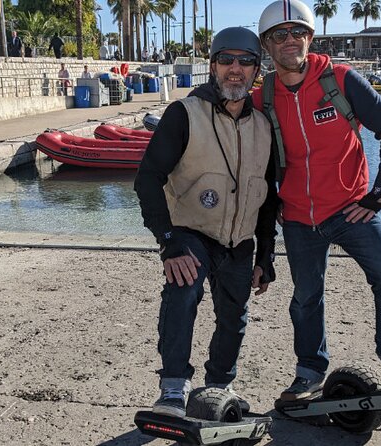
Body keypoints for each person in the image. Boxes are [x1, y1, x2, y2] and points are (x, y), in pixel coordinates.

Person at [251, 0, 381, 402]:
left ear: (310, 37)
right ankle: (308, 373)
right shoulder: (262, 97)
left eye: (297, 32)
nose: (290, 40)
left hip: (350, 207)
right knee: (305, 298)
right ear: (267, 45)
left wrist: (380, 195)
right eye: (279, 34)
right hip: (299, 217)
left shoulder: (339, 80)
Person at [133, 26, 277, 418]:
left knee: (235, 315)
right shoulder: (184, 113)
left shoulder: (264, 127)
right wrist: (169, 243)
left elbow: (269, 198)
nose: (236, 69)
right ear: (213, 66)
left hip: (240, 240)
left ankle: (217, 387)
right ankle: (173, 388)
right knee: (182, 291)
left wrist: (267, 254)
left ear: (256, 70)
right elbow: (148, 178)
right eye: (226, 60)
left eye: (245, 61)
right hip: (190, 231)